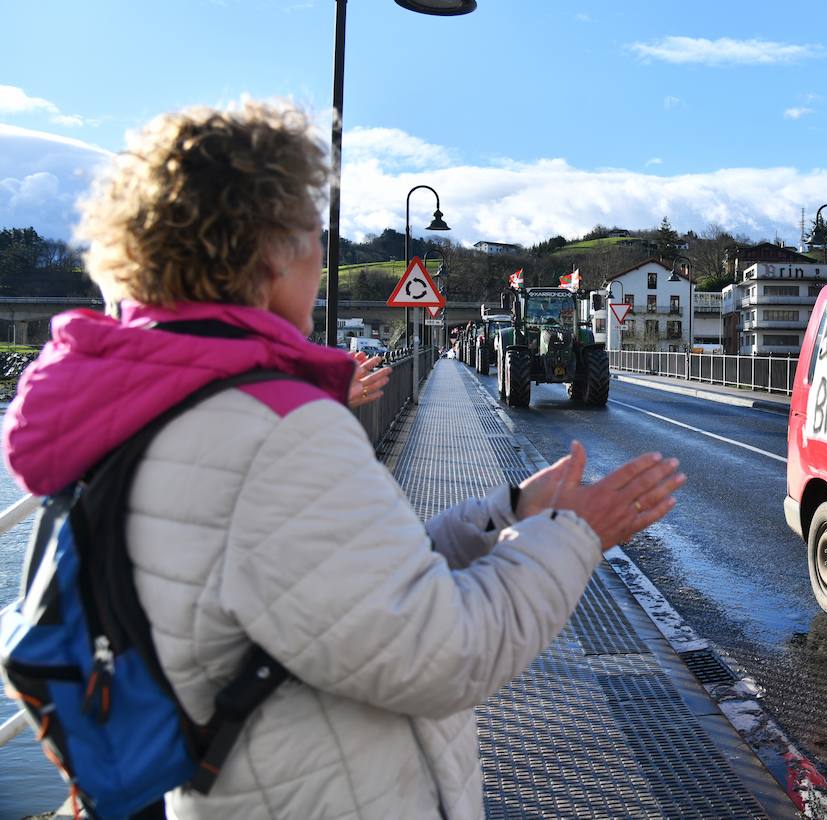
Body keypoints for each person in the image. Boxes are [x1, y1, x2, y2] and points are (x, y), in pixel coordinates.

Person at [0, 101, 684, 819]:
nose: (320, 264)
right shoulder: (274, 431)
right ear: (269, 254)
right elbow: (440, 656)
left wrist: (506, 516)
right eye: (312, 238)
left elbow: (341, 594)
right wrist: (574, 537)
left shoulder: (146, 402)